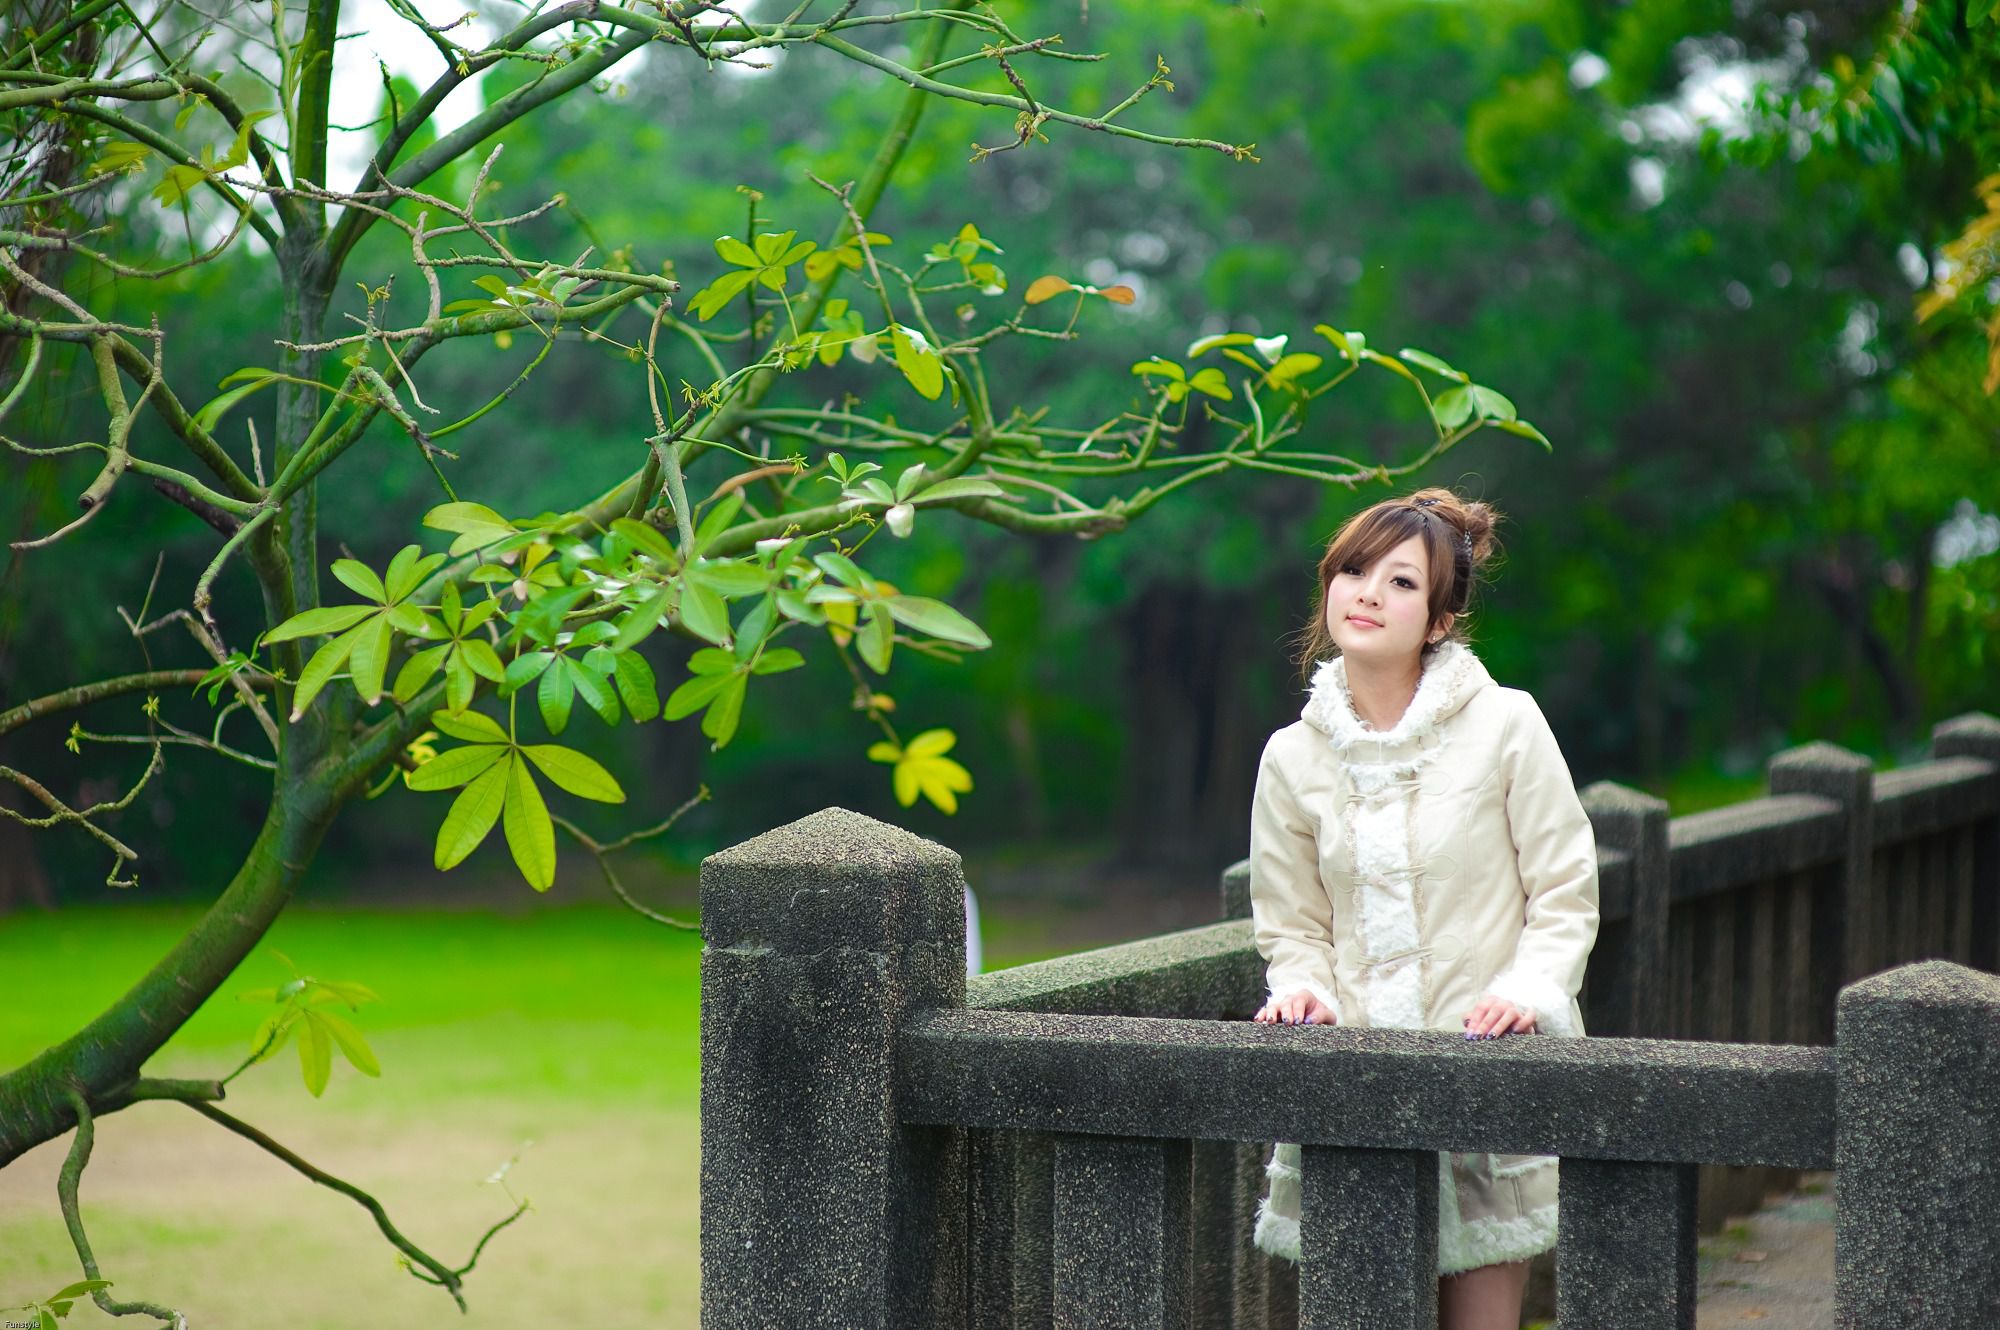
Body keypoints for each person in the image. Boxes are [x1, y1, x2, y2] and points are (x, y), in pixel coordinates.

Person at [1246, 487, 1600, 1330]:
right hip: (1355, 1088)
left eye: (1402, 583)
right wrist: (1304, 989)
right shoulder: (1291, 758)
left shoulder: (1507, 725)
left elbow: (1565, 888)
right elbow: (1291, 923)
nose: (1368, 592)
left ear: (1440, 620)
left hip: (1488, 1065)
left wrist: (1529, 992)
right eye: (1354, 570)